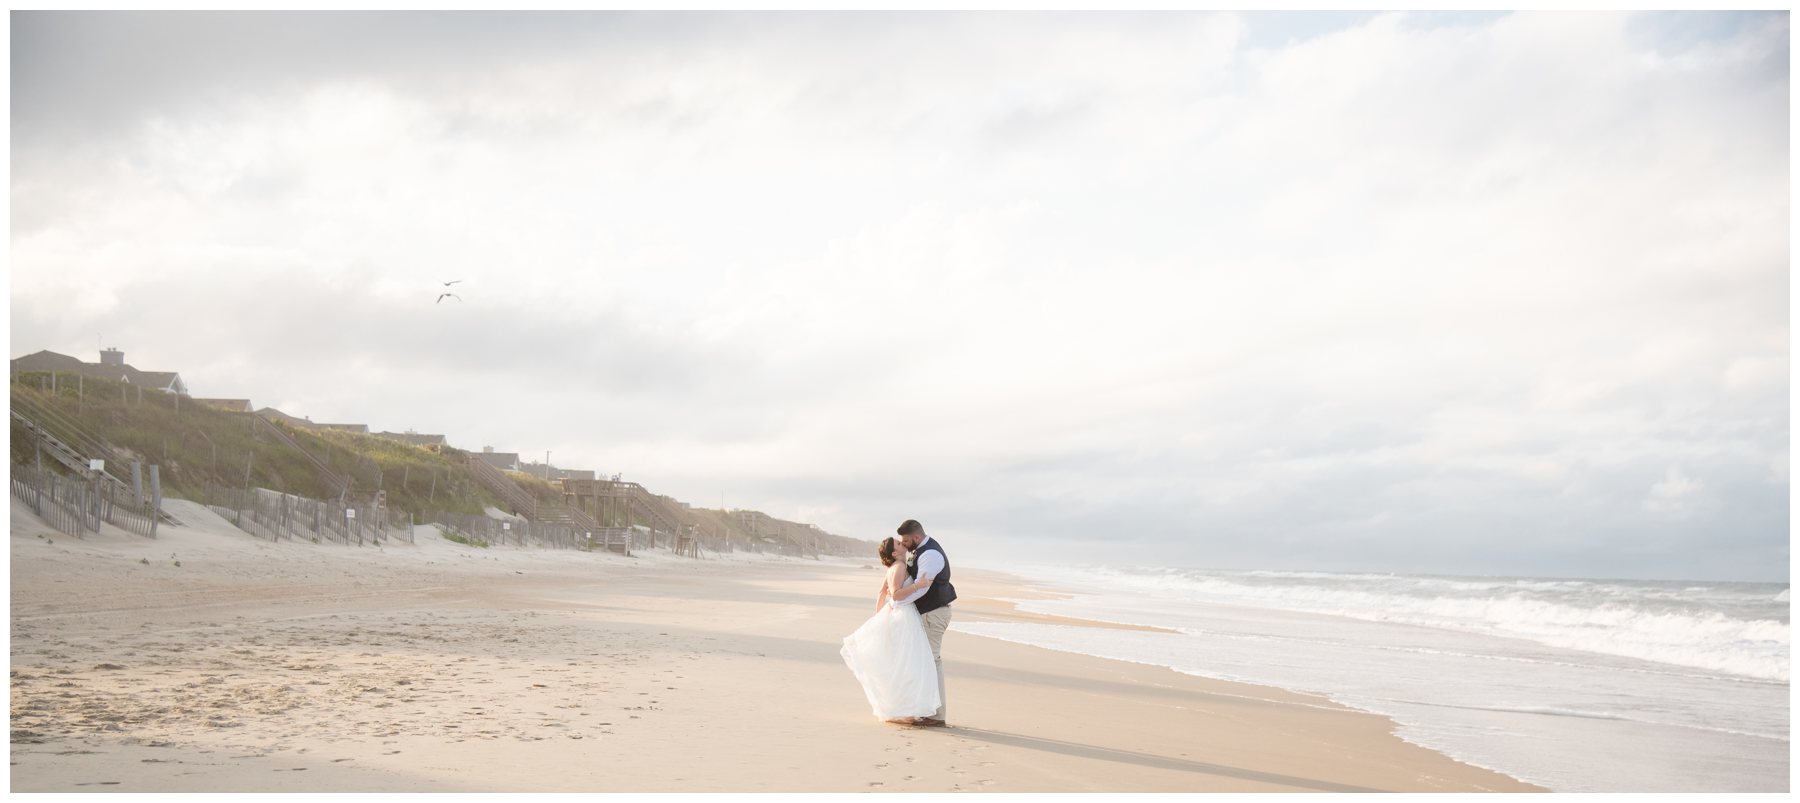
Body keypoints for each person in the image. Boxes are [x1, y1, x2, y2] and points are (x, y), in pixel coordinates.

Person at [840, 537, 941, 722]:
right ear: (895, 553)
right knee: (908, 663)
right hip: (903, 616)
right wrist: (918, 585)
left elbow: (881, 592)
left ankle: (904, 709)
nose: (903, 544)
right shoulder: (899, 567)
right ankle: (905, 709)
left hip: (898, 614)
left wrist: (879, 617)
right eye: (899, 544)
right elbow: (894, 593)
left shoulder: (895, 567)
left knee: (904, 663)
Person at [893, 518, 955, 727]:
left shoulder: (930, 554)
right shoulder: (919, 550)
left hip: (934, 613)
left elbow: (922, 588)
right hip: (928, 612)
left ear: (917, 537)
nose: (904, 544)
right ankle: (927, 710)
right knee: (925, 662)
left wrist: (898, 602)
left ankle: (936, 715)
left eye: (906, 540)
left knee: (932, 662)